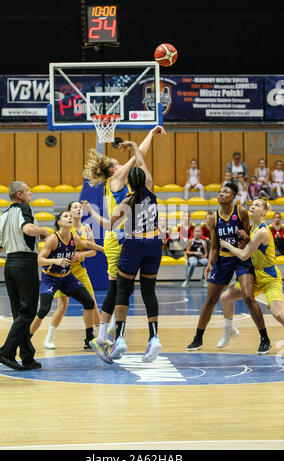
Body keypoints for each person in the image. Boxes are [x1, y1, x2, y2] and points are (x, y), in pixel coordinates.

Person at [82, 125, 166, 350]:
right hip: (119, 237)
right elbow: (141, 160)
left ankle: (108, 333)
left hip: (124, 236)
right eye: (117, 163)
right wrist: (144, 138)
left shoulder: (127, 192)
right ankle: (108, 334)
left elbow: (141, 162)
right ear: (112, 170)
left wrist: (147, 136)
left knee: (122, 288)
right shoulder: (118, 179)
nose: (121, 164)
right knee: (119, 289)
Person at [186, 183, 271, 355]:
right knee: (210, 301)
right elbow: (215, 245)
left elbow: (250, 237)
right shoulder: (213, 218)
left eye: (225, 192)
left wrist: (245, 239)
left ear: (232, 197)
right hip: (223, 260)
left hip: (241, 259)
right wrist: (210, 263)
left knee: (248, 296)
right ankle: (198, 338)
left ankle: (265, 339)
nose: (221, 194)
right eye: (220, 192)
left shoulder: (241, 212)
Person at [0, 181, 49, 371]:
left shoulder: (3, 215)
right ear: (19, 195)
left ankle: (27, 356)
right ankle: (6, 352)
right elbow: (27, 229)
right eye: (27, 191)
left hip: (9, 264)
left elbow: (0, 246)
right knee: (28, 312)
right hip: (25, 263)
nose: (30, 193)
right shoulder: (24, 208)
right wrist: (43, 231)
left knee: (20, 313)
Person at [218, 199, 284, 350]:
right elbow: (255, 247)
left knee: (279, 314)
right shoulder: (253, 228)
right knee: (225, 298)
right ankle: (229, 330)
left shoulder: (262, 231)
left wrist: (228, 245)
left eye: (257, 205)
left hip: (269, 278)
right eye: (252, 205)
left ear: (264, 212)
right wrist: (247, 239)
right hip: (255, 276)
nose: (252, 206)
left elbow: (243, 255)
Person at [29, 211, 105, 338]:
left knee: (89, 302)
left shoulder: (72, 237)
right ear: (59, 222)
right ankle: (27, 338)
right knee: (44, 309)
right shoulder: (53, 239)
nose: (69, 217)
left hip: (67, 278)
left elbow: (86, 244)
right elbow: (38, 260)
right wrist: (55, 261)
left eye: (70, 216)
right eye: (66, 216)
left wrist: (102, 249)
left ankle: (89, 338)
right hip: (50, 278)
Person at [43, 201, 101, 350]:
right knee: (62, 306)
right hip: (63, 272)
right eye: (75, 208)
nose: (79, 210)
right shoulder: (65, 230)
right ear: (68, 212)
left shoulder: (86, 228)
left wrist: (80, 254)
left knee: (92, 302)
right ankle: (49, 337)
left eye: (80, 208)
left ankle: (99, 336)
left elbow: (92, 250)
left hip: (80, 270)